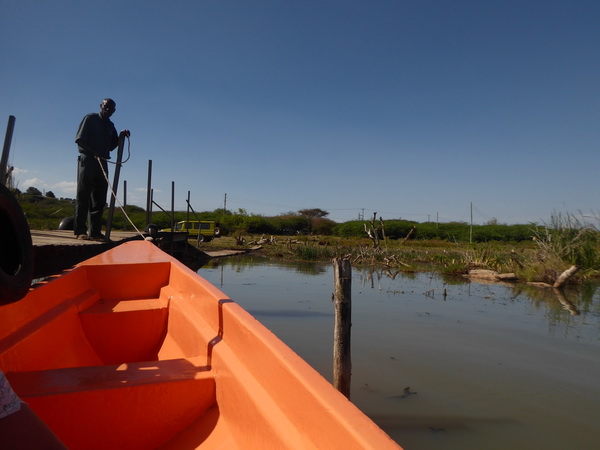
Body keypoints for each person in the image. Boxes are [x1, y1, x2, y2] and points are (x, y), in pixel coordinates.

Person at [74, 98, 130, 240]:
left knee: (99, 199)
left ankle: (95, 231)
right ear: (101, 106)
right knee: (83, 195)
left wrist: (121, 136)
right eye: (106, 107)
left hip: (103, 162)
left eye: (111, 108)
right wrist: (94, 152)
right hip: (88, 160)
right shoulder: (90, 118)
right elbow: (79, 139)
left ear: (114, 111)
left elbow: (111, 146)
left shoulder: (110, 125)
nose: (108, 110)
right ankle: (80, 231)